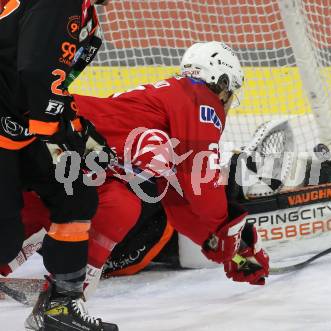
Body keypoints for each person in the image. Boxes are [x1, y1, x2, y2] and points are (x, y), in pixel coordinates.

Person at [1, 42, 270, 300]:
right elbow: (201, 187)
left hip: (49, 134)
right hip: (58, 136)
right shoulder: (200, 99)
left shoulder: (166, 101)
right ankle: (63, 296)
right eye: (229, 92)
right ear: (221, 82)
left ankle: (56, 291)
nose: (227, 102)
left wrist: (222, 243)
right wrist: (229, 234)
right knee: (118, 206)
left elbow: (176, 201)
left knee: (118, 202)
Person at [0, 1, 117, 330]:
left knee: (74, 191)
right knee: (3, 242)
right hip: (15, 125)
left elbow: (35, 72)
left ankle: (59, 308)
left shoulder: (79, 9)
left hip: (15, 127)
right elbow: (37, 71)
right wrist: (61, 130)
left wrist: (75, 126)